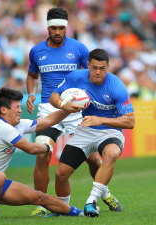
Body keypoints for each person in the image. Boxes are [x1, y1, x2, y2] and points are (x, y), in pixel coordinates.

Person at [26, 7, 119, 216]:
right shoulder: (36, 51)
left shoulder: (79, 49)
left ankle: (104, 193)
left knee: (94, 159)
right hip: (49, 108)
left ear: (66, 27)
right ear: (47, 28)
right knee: (42, 154)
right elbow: (32, 75)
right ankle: (41, 204)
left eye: (61, 27)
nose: (57, 32)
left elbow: (94, 75)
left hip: (77, 110)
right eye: (53, 28)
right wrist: (31, 93)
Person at [0, 87, 84, 221]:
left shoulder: (19, 125)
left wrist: (69, 109)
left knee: (39, 197)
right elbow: (31, 149)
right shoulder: (0, 127)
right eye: (16, 107)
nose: (20, 110)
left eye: (20, 107)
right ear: (3, 110)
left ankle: (78, 213)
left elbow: (48, 121)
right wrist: (47, 147)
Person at [49, 48, 135, 217]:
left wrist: (101, 120)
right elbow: (53, 95)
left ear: (108, 66)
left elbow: (130, 121)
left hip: (110, 131)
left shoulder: (116, 86)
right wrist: (61, 104)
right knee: (60, 174)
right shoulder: (76, 77)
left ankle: (91, 202)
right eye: (94, 67)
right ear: (87, 65)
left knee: (111, 153)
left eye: (102, 68)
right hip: (86, 130)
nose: (97, 72)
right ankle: (63, 208)